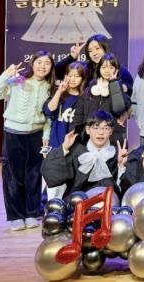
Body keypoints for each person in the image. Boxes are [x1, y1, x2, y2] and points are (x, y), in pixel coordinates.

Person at [0, 52, 54, 231]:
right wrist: (5, 75)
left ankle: (31, 213)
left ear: (51, 67)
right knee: (12, 177)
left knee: (34, 176)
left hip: (36, 135)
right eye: (39, 62)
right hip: (13, 134)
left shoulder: (50, 87)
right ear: (32, 63)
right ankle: (15, 216)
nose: (42, 66)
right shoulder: (17, 80)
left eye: (47, 63)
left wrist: (46, 135)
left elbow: (49, 116)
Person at [42, 110, 129, 197]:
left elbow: (122, 191)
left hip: (108, 201)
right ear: (88, 130)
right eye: (96, 128)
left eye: (106, 128)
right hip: (78, 201)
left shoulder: (116, 154)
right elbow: (52, 175)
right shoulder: (77, 151)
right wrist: (64, 148)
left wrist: (121, 166)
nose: (100, 133)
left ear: (111, 131)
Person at [42, 61, 88, 199]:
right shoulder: (59, 95)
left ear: (82, 79)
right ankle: (51, 208)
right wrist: (59, 91)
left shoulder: (84, 98)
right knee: (53, 184)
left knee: (69, 186)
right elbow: (49, 111)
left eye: (77, 76)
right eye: (70, 75)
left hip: (75, 147)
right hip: (56, 144)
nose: (73, 79)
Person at [73, 53, 131, 145]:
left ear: (116, 70)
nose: (107, 71)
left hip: (112, 141)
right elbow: (78, 117)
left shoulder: (121, 90)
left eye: (111, 67)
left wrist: (114, 83)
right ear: (99, 69)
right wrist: (76, 137)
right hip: (88, 140)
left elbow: (118, 110)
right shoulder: (89, 90)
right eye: (103, 67)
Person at [55, 34, 134, 95]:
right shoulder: (84, 67)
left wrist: (117, 87)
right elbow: (57, 72)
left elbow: (130, 90)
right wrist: (72, 57)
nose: (94, 53)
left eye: (97, 48)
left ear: (105, 48)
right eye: (90, 51)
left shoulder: (119, 69)